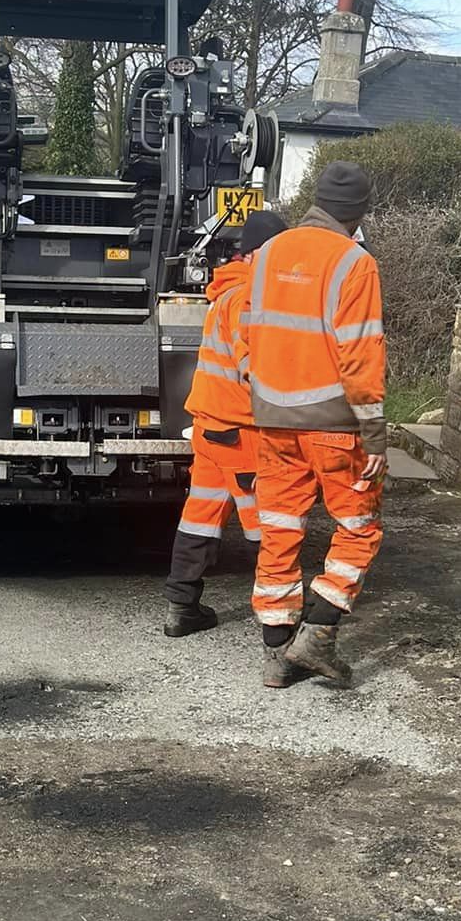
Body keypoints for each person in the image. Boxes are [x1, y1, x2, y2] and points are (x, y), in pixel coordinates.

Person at [240, 162, 387, 689]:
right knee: (358, 527)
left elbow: (246, 333)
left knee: (279, 529)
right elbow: (361, 356)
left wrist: (260, 396)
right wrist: (374, 432)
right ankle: (317, 638)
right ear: (358, 212)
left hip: (272, 421)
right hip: (335, 425)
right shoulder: (355, 262)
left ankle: (277, 656)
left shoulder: (268, 253)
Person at [162, 208, 290, 637]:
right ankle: (280, 621)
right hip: (243, 431)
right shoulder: (251, 298)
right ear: (259, 254)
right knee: (269, 525)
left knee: (200, 515)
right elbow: (255, 362)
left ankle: (182, 607)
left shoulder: (226, 292)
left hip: (211, 425)